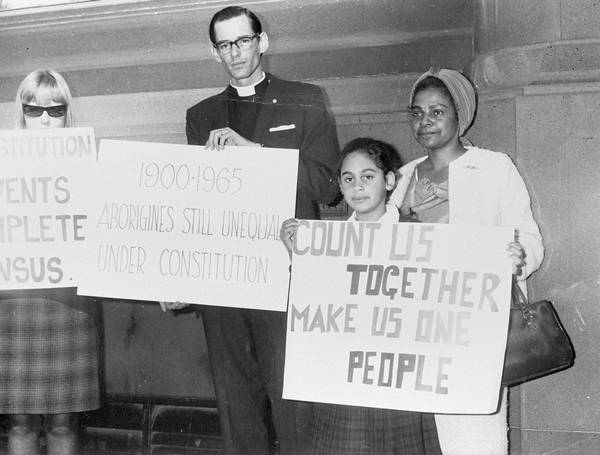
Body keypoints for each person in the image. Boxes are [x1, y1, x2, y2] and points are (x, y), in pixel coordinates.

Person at [168, 6, 339, 455]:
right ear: (214, 52)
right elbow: (198, 208)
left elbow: (328, 185)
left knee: (295, 408)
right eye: (225, 45)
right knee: (237, 411)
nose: (235, 52)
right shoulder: (199, 115)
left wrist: (257, 153)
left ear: (262, 42)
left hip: (286, 278)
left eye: (243, 41)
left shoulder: (306, 98)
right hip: (225, 283)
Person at [389, 68, 545, 455]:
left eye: (437, 112)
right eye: (417, 112)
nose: (425, 122)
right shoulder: (403, 178)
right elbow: (378, 243)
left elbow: (528, 238)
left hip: (476, 325)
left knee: (478, 438)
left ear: (460, 114)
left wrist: (517, 257)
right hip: (419, 325)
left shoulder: (494, 168)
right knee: (428, 437)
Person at [280, 137, 441, 455]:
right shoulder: (327, 240)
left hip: (397, 384)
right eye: (348, 178)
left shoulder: (418, 236)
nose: (358, 186)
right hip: (343, 385)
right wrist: (298, 258)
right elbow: (315, 310)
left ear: (390, 180)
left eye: (368, 176)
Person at [0, 69, 101, 455]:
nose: (44, 120)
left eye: (55, 111)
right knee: (20, 423)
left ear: (67, 113)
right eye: (33, 110)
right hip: (14, 307)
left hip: (69, 307)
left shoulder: (90, 165)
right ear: (20, 112)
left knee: (64, 424)